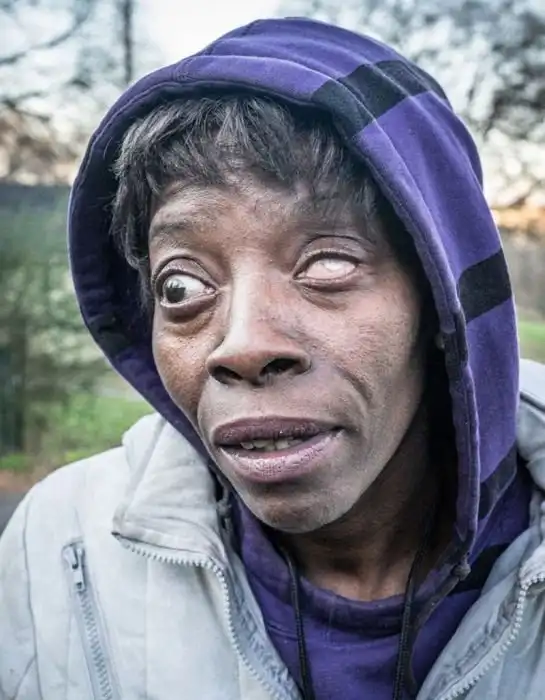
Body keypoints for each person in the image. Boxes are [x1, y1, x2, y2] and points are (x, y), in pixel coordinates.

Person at [1, 16, 544, 700]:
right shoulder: (59, 546)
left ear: (441, 304)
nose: (244, 344)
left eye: (327, 264)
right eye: (182, 287)